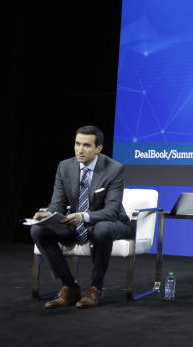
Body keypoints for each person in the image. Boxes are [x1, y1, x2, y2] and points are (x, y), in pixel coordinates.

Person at [31, 125, 131, 308]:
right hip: (76, 223)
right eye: (77, 144)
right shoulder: (65, 166)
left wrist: (84, 216)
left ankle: (96, 288)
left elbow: (112, 211)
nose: (80, 150)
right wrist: (48, 214)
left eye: (86, 145)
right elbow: (58, 203)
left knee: (102, 229)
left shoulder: (115, 169)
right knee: (38, 229)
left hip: (110, 222)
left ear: (98, 149)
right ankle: (70, 286)